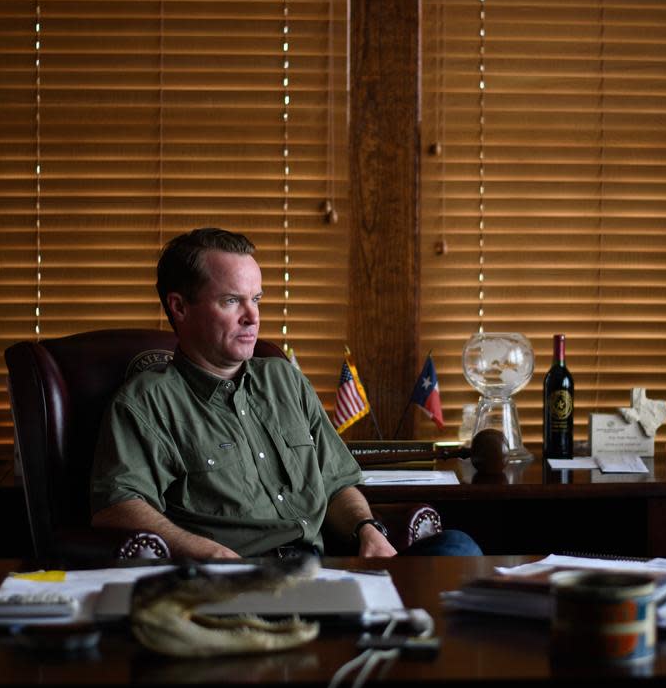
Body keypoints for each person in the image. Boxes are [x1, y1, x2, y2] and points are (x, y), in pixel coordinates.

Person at [90, 228, 480, 558]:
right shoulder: (147, 402)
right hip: (239, 579)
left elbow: (336, 482)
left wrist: (366, 529)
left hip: (324, 568)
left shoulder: (284, 380)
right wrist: (205, 552)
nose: (253, 316)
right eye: (231, 301)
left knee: (457, 547)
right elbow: (118, 506)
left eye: (256, 299)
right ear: (179, 308)